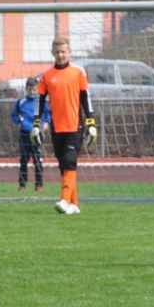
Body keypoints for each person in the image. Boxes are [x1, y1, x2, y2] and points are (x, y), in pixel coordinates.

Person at [32, 36, 96, 214]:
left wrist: (91, 121)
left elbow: (86, 98)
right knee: (64, 165)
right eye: (58, 52)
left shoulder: (78, 72)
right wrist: (37, 123)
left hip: (75, 126)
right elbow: (40, 101)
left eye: (64, 52)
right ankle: (74, 204)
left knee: (69, 162)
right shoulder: (46, 75)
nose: (61, 55)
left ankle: (64, 200)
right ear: (53, 53)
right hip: (56, 127)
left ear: (69, 52)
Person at [11, 76, 50, 191]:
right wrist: (18, 122)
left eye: (34, 89)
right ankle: (22, 185)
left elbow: (48, 114)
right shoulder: (21, 102)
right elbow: (14, 115)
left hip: (38, 135)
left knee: (38, 160)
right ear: (26, 89)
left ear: (37, 89)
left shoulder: (41, 102)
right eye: (29, 89)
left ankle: (39, 185)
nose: (32, 92)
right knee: (24, 160)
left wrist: (47, 123)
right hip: (24, 134)